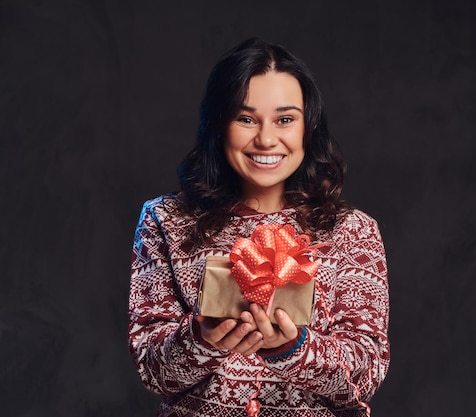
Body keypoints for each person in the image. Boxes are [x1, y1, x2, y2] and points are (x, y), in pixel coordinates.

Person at [128, 37, 390, 417]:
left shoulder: (352, 231)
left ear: (308, 127)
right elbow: (152, 371)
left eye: (285, 119)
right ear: (219, 125)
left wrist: (294, 348)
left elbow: (366, 371)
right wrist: (199, 340)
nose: (266, 139)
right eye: (245, 118)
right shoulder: (165, 220)